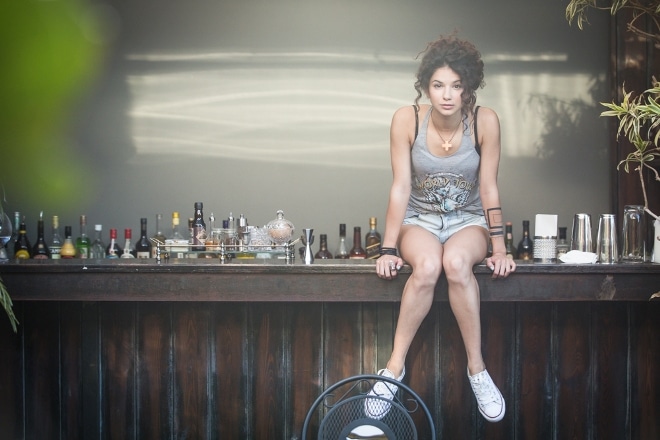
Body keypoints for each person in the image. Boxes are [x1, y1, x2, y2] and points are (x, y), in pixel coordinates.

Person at [365, 34, 516, 423]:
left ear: (469, 86)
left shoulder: (485, 121)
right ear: (426, 86)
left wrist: (500, 248)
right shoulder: (407, 119)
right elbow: (400, 187)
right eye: (438, 85)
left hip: (469, 221)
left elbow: (489, 187)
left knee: (457, 264)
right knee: (429, 266)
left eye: (456, 85)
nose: (447, 95)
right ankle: (393, 370)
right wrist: (388, 248)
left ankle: (477, 370)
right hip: (420, 220)